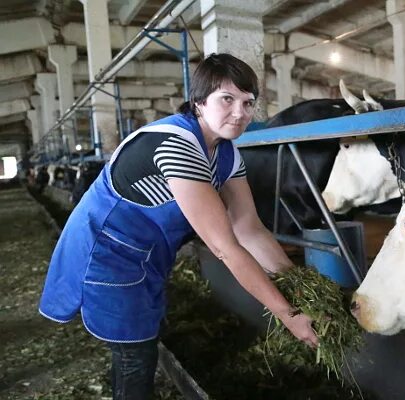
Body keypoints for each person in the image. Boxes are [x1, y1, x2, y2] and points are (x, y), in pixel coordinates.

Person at [39, 53, 319, 399]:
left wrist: (298, 285)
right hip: (107, 253)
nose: (241, 113)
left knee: (137, 344)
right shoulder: (176, 145)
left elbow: (250, 229)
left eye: (249, 102)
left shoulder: (228, 155)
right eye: (227, 99)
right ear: (199, 102)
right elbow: (224, 247)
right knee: (135, 353)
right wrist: (288, 314)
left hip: (149, 257)